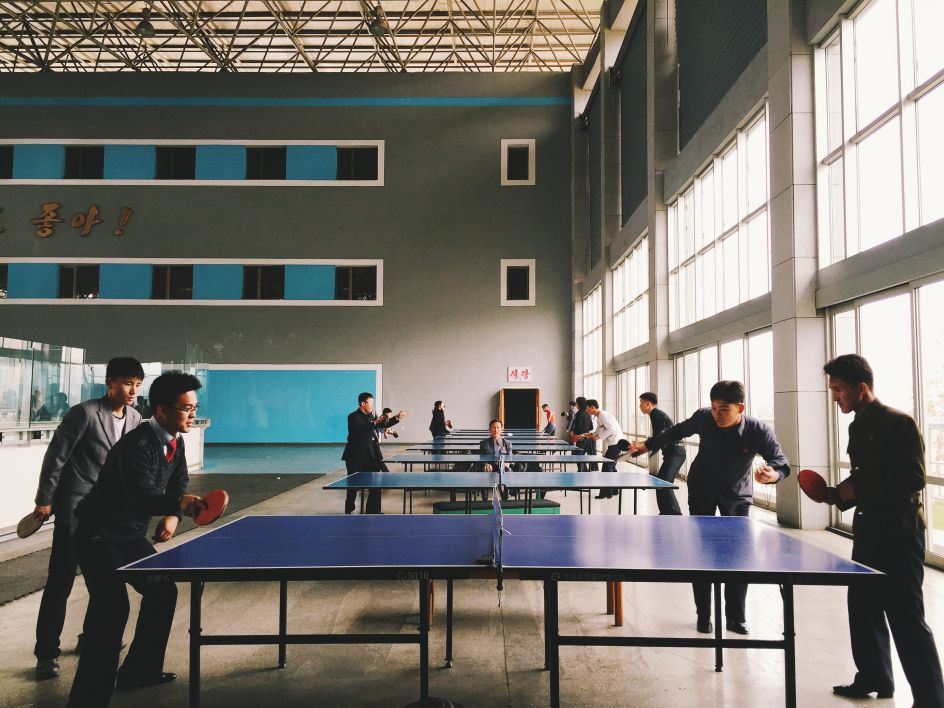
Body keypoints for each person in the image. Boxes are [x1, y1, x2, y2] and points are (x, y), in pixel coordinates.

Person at [66, 371, 206, 708]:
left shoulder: (176, 440)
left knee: (161, 590)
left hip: (129, 534)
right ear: (161, 410)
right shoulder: (138, 445)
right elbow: (142, 496)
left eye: (194, 407)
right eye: (185, 408)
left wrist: (173, 513)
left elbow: (178, 481)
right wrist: (180, 504)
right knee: (112, 609)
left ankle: (140, 671)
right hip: (98, 534)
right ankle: (87, 699)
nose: (192, 414)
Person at [820, 354, 944, 705]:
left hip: (900, 536)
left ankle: (931, 699)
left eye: (839, 389)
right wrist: (835, 495)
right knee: (862, 608)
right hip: (869, 533)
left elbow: (912, 479)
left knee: (907, 619)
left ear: (861, 388)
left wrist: (856, 490)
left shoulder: (898, 423)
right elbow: (863, 477)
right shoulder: (856, 425)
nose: (835, 397)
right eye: (832, 389)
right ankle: (874, 679)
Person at [630, 380, 789, 635]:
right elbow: (676, 431)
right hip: (702, 488)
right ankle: (704, 615)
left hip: (736, 496)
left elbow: (780, 461)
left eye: (724, 409)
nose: (717, 414)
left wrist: (774, 475)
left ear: (741, 407)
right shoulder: (705, 418)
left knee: (738, 559)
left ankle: (736, 617)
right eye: (714, 407)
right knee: (702, 556)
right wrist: (649, 445)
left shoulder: (758, 430)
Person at [31, 357, 144, 681]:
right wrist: (45, 500)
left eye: (137, 383)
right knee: (61, 582)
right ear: (109, 382)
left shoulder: (136, 418)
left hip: (108, 515)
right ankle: (46, 653)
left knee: (104, 581)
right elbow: (57, 457)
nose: (132, 389)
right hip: (74, 510)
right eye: (126, 382)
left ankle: (89, 638)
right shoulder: (83, 413)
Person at [341, 392, 407, 514]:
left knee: (375, 483)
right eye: (371, 402)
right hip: (355, 457)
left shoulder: (371, 416)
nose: (372, 405)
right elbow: (359, 431)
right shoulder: (353, 417)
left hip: (370, 456)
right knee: (353, 487)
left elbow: (383, 425)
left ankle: (373, 511)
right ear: (363, 403)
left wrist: (397, 417)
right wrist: (374, 423)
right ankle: (348, 509)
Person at [638, 392, 685, 515]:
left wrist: (643, 446)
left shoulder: (656, 415)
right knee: (660, 482)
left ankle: (674, 514)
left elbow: (659, 437)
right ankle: (665, 512)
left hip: (676, 452)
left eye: (641, 403)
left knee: (664, 482)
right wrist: (643, 444)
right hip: (672, 453)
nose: (639, 406)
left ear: (647, 404)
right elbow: (659, 437)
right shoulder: (655, 415)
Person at [581, 399, 623, 499]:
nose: (586, 411)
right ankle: (615, 490)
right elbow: (598, 431)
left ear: (592, 407)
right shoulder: (599, 417)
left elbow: (611, 429)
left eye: (587, 408)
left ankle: (606, 493)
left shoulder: (603, 415)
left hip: (616, 443)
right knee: (611, 467)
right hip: (614, 444)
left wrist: (599, 437)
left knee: (606, 468)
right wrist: (587, 435)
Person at [570, 397, 596, 470]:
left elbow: (579, 427)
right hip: (588, 439)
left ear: (579, 404)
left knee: (579, 458)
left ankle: (582, 473)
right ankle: (584, 472)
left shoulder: (578, 414)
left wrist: (573, 431)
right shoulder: (588, 413)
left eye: (576, 402)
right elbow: (591, 427)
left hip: (581, 438)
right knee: (582, 458)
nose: (575, 404)